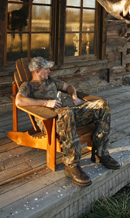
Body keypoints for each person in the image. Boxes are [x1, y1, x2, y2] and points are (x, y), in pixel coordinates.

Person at [15, 57, 120, 187]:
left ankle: (101, 152)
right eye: (46, 69)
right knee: (66, 113)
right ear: (37, 71)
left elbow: (68, 86)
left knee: (102, 105)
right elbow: (19, 100)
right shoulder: (28, 85)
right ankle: (71, 165)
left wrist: (74, 96)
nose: (49, 72)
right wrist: (46, 103)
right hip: (50, 121)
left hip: (67, 114)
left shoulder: (51, 81)